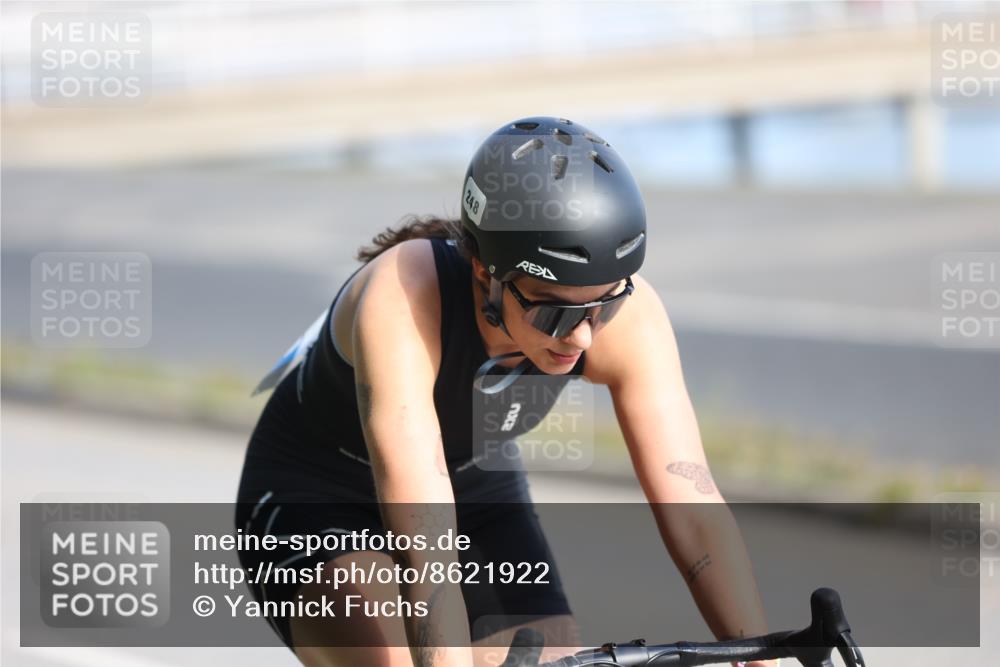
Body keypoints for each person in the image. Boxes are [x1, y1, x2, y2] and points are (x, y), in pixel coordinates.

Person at [235, 117, 777, 667]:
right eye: (553, 310)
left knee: (548, 659)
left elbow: (694, 509)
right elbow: (421, 515)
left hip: (474, 490)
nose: (584, 334)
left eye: (604, 304)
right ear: (483, 270)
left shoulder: (628, 320)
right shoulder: (404, 293)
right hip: (318, 494)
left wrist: (760, 653)